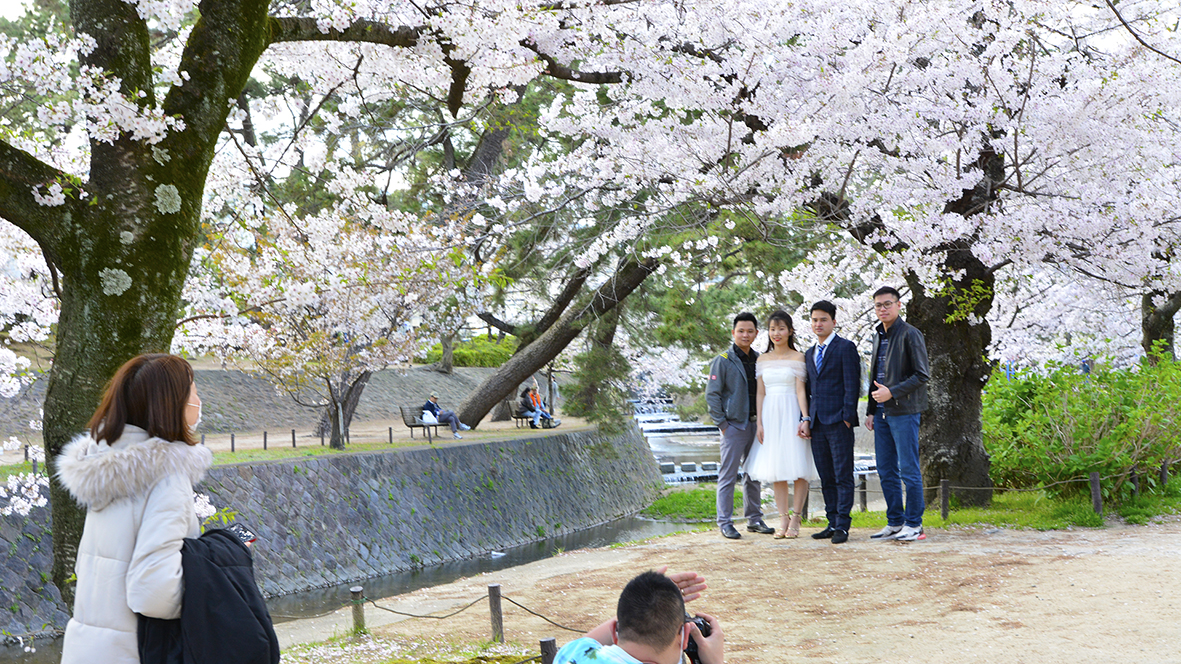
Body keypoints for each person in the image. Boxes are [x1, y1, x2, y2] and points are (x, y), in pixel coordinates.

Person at [56, 353, 214, 664]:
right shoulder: (165, 478)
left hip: (87, 651)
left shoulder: (104, 469)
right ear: (173, 402)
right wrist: (214, 583)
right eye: (193, 390)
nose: (198, 398)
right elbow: (154, 592)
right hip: (136, 652)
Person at [864, 286, 930, 542]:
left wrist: (893, 392)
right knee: (885, 468)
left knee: (908, 468)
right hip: (880, 412)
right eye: (878, 305)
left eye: (887, 303)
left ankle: (915, 524)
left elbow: (921, 375)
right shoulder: (878, 335)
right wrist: (871, 410)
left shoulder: (910, 334)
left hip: (904, 410)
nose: (883, 309)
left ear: (899, 305)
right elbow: (875, 376)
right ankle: (895, 521)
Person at [554, 569, 724, 664]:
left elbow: (585, 642)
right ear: (685, 636)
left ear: (615, 630)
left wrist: (647, 599)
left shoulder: (572, 655)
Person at [746, 310, 816, 539]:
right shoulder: (762, 359)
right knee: (776, 469)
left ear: (790, 331)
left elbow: (800, 391)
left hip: (791, 411)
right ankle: (782, 519)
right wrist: (760, 423)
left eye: (781, 329)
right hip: (770, 415)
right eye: (773, 329)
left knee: (799, 467)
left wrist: (805, 418)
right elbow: (760, 393)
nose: (777, 333)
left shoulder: (798, 357)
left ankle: (796, 518)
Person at [705, 312, 775, 539]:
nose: (745, 335)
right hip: (734, 426)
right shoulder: (723, 360)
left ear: (756, 333)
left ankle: (754, 519)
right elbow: (712, 395)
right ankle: (725, 522)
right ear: (733, 332)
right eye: (741, 331)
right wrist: (723, 424)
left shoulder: (759, 359)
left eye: (750, 331)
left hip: (757, 425)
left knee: (753, 474)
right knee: (728, 475)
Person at [801, 300, 862, 545]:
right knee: (826, 475)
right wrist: (804, 419)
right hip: (816, 422)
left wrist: (848, 417)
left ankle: (843, 526)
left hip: (839, 421)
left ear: (833, 322)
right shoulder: (809, 353)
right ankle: (831, 521)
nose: (819, 324)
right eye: (815, 320)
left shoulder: (845, 348)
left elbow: (852, 384)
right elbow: (807, 389)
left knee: (842, 474)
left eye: (823, 319)